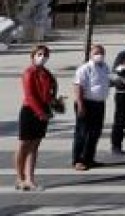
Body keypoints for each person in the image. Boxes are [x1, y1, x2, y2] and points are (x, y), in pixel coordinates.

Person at [14, 44, 58, 191]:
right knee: (24, 145)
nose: (42, 57)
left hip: (43, 110)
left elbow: (49, 92)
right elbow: (30, 96)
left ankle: (30, 179)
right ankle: (20, 178)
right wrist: (40, 113)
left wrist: (54, 103)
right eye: (39, 54)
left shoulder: (46, 73)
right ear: (33, 56)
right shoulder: (29, 72)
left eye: (45, 54)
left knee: (34, 146)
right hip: (29, 111)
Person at [72, 44, 111, 171]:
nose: (99, 55)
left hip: (99, 103)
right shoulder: (84, 68)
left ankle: (89, 158)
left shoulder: (105, 67)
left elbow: (104, 82)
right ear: (90, 54)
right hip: (86, 103)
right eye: (96, 53)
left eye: (101, 53)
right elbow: (78, 87)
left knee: (95, 132)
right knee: (82, 133)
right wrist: (80, 104)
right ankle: (78, 160)